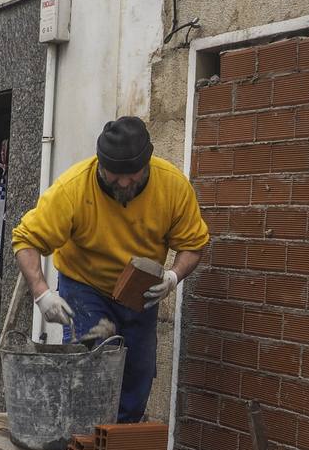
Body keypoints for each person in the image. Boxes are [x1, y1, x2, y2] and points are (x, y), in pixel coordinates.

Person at [11, 115, 209, 423]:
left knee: (138, 372)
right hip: (85, 284)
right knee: (93, 361)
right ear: (100, 164)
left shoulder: (172, 186)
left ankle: (118, 444)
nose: (125, 182)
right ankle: (82, 438)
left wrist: (173, 276)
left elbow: (194, 243)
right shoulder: (73, 188)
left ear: (148, 162)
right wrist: (41, 292)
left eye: (133, 174)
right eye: (115, 174)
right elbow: (25, 239)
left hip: (139, 290)